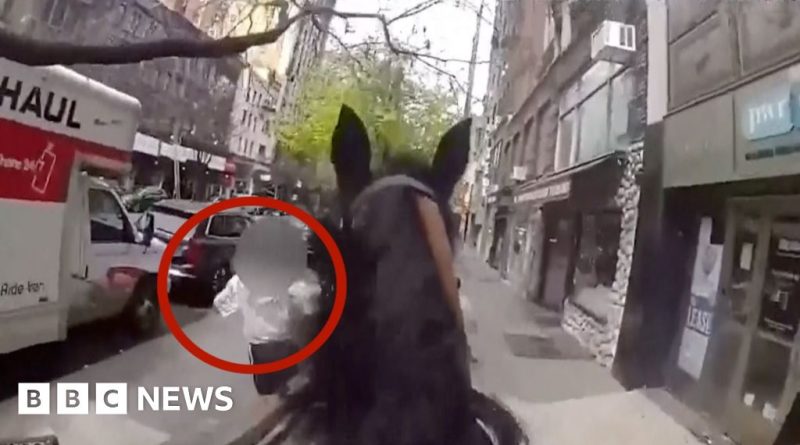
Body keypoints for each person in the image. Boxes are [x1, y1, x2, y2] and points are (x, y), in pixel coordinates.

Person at [213, 268, 320, 396]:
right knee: (293, 392)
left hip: (262, 347)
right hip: (286, 344)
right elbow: (311, 308)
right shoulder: (294, 277)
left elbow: (220, 306)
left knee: (271, 393)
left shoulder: (241, 282)